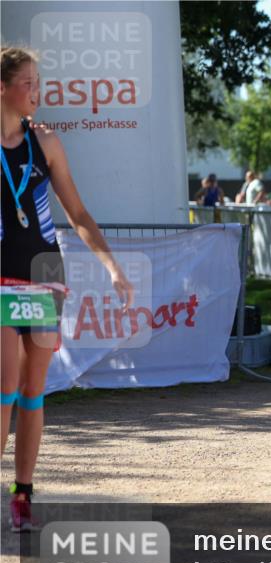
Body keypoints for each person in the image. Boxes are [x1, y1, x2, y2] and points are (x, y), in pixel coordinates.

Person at [1, 46, 135, 530]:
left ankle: (22, 495)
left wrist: (113, 268)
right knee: (4, 385)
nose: (38, 91)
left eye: (40, 82)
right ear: (3, 86)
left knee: (33, 393)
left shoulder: (48, 142)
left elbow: (77, 214)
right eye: (29, 83)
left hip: (43, 274)